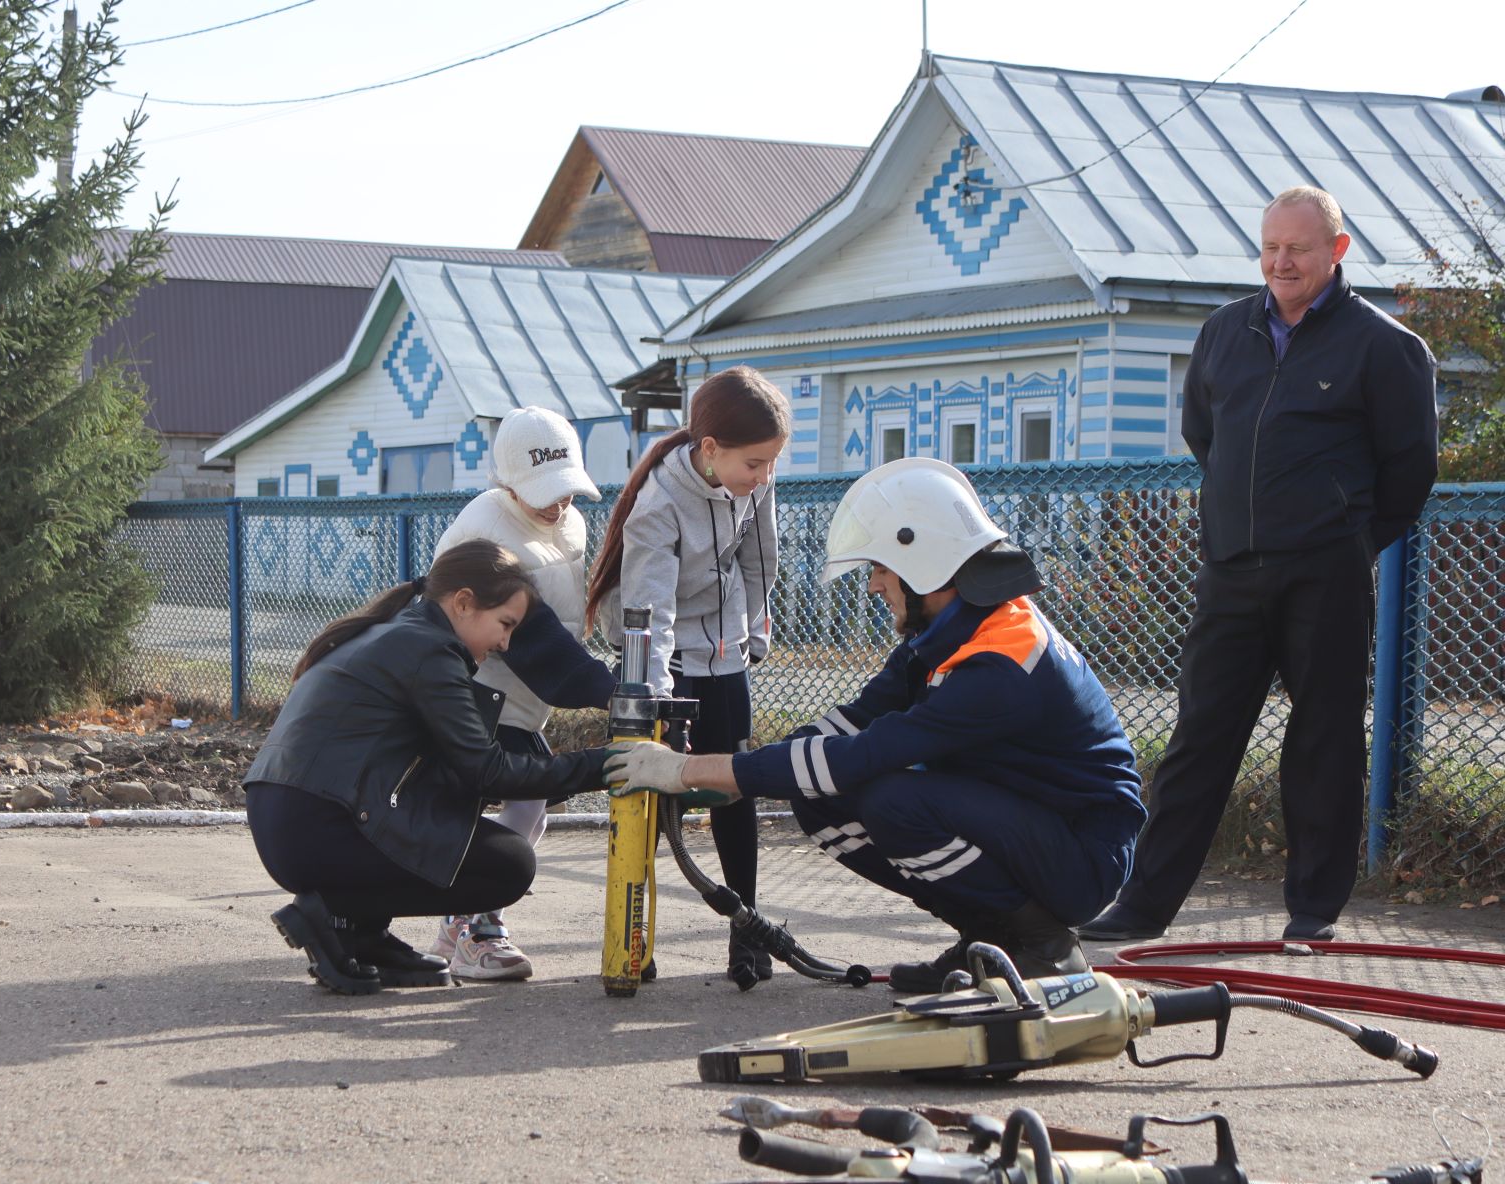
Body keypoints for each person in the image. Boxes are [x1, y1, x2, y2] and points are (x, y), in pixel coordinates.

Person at [603, 458, 1147, 993]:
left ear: (925, 564)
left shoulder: (999, 666)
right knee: (817, 796)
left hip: (1081, 858)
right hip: (1029, 822)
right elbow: (853, 723)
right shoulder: (951, 632)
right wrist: (752, 768)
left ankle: (1044, 946)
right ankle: (988, 938)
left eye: (881, 568)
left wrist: (690, 770)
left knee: (893, 800)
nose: (874, 586)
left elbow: (867, 753)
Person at [1079, 186, 1439, 946]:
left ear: (1336, 252)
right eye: (1271, 247)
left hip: (1327, 574)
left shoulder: (1385, 347)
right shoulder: (1223, 332)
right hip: (1232, 570)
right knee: (1198, 740)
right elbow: (1205, 435)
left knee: (1324, 741)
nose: (1281, 262)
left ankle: (1313, 912)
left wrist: (1344, 536)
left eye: (1298, 249)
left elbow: (1409, 471)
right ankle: (1143, 906)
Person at [246, 540, 607, 995]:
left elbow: (448, 773)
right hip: (316, 827)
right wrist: (606, 765)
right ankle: (332, 911)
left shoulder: (399, 632)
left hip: (290, 817)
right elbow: (487, 771)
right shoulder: (429, 652)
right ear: (463, 603)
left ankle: (364, 934)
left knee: (442, 801)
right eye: (505, 624)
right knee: (509, 865)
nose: (505, 643)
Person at [586, 365, 789, 988]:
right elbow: (651, 609)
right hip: (660, 653)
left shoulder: (754, 485)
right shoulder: (659, 505)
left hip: (723, 645)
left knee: (734, 786)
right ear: (709, 450)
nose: (765, 476)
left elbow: (761, 563)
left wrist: (753, 629)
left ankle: (746, 931)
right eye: (754, 463)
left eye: (771, 463)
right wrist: (662, 697)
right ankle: (633, 933)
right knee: (650, 794)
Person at [426, 406, 613, 981]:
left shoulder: (573, 525)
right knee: (503, 803)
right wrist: (610, 689)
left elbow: (572, 610)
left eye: (566, 491)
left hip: (528, 697)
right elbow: (527, 639)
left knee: (530, 813)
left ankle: (457, 922)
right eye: (543, 493)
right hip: (475, 689)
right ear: (506, 481)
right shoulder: (485, 528)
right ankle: (475, 926)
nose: (558, 504)